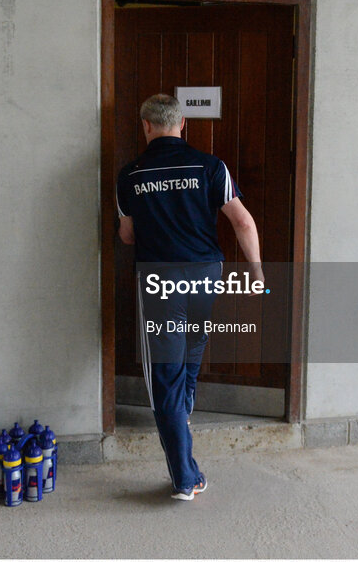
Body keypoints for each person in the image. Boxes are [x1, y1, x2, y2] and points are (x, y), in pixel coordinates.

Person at [116, 93, 264, 501]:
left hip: (160, 280)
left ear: (146, 126)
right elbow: (243, 221)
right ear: (183, 125)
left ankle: (184, 476)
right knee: (194, 346)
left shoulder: (130, 175)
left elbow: (127, 236)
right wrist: (257, 271)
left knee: (164, 374)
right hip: (205, 276)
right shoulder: (210, 166)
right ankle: (185, 407)